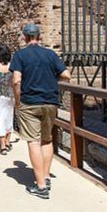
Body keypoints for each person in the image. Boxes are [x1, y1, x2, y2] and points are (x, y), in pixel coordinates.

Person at [10, 23, 71, 199]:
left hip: (29, 103)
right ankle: (45, 175)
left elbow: (16, 81)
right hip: (50, 102)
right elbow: (66, 75)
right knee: (47, 139)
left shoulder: (20, 55)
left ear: (24, 37)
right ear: (39, 37)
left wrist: (18, 100)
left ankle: (41, 186)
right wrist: (51, 77)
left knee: (34, 142)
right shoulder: (50, 54)